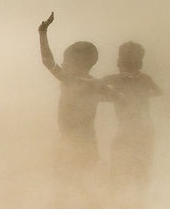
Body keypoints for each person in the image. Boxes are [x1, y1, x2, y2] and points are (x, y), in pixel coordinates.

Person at [37, 14, 113, 174]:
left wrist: (42, 33)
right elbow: (120, 98)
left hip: (75, 145)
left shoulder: (70, 79)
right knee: (77, 184)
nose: (63, 64)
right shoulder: (93, 84)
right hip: (84, 144)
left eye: (66, 61)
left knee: (69, 183)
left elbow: (47, 61)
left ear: (77, 63)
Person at [102, 41, 161, 206]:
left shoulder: (115, 79)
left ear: (119, 62)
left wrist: (125, 93)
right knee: (139, 166)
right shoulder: (144, 79)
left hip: (132, 130)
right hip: (143, 130)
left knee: (123, 164)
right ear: (141, 63)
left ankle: (126, 202)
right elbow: (158, 93)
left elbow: (94, 87)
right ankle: (135, 202)